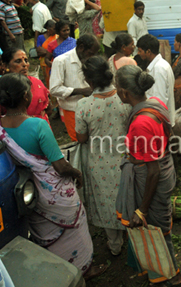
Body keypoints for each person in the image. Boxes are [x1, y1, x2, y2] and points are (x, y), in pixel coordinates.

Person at [0, 73, 107, 280]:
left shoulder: (1, 127)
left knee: (43, 230)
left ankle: (56, 271)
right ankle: (84, 268)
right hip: (54, 193)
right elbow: (59, 165)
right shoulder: (38, 126)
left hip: (27, 190)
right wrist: (76, 174)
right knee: (76, 227)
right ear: (25, 97)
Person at [114, 65, 181, 286]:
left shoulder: (140, 123)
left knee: (157, 231)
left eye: (117, 88)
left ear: (125, 92)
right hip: (165, 168)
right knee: (158, 228)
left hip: (153, 179)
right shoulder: (156, 104)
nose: (116, 91)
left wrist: (141, 209)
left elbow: (152, 171)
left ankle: (171, 276)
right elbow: (169, 136)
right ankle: (159, 271)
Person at [76, 56, 130, 256]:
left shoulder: (84, 105)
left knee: (106, 199)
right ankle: (131, 235)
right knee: (127, 196)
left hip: (99, 161)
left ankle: (114, 244)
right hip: (125, 157)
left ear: (89, 81)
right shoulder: (125, 97)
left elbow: (81, 138)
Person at [49, 34, 99, 141]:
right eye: (90, 53)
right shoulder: (61, 61)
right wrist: (80, 91)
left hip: (93, 108)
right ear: (81, 47)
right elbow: (54, 89)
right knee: (79, 142)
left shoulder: (89, 60)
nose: (92, 57)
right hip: (73, 110)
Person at [1, 48, 51, 124]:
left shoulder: (36, 82)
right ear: (5, 66)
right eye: (18, 61)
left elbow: (48, 109)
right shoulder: (3, 86)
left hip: (41, 129)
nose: (24, 64)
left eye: (26, 61)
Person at [137, 34, 176, 123]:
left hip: (159, 120)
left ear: (148, 51)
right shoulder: (160, 65)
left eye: (140, 51)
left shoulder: (158, 69)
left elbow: (159, 100)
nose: (138, 53)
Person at [36, 19, 57, 87]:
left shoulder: (57, 36)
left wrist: (46, 51)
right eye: (54, 28)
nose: (55, 30)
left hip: (55, 62)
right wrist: (51, 51)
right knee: (48, 81)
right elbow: (39, 52)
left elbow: (58, 50)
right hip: (45, 63)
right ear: (48, 29)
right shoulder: (41, 37)